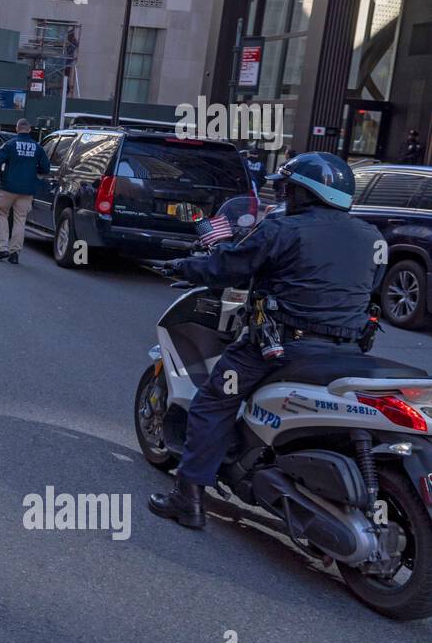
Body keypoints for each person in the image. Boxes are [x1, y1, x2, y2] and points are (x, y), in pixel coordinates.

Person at [149, 153, 381, 530]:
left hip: (281, 348)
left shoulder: (283, 230)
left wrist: (181, 266)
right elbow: (368, 288)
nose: (284, 194)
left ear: (306, 193)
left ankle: (187, 498)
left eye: (288, 187)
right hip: (347, 351)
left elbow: (228, 266)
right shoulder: (373, 237)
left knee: (212, 401)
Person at [0, 118, 49, 265]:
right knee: (20, 220)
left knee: (2, 215)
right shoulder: (37, 147)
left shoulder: (10, 145)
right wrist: (34, 176)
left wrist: (3, 177)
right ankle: (15, 252)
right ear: (29, 130)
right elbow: (46, 168)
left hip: (8, 187)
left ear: (17, 129)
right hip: (27, 190)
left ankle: (2, 248)